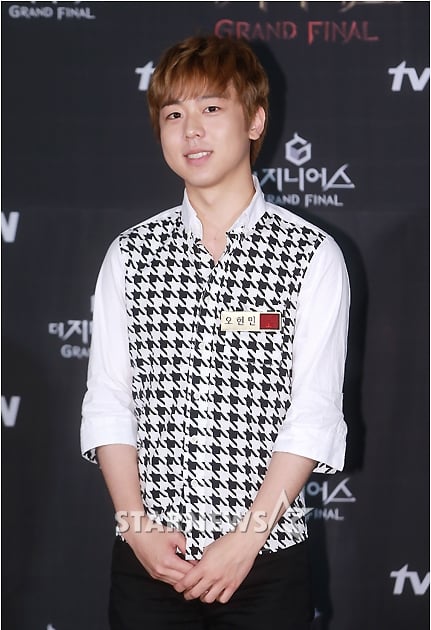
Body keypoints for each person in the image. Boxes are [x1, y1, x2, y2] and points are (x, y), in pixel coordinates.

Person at [80, 34, 350, 630]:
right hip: (149, 563)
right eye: (173, 114)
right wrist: (136, 528)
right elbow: (109, 402)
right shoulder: (130, 254)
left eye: (211, 108)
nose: (191, 130)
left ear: (255, 121)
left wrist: (248, 538)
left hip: (266, 563)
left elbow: (313, 412)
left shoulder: (310, 255)